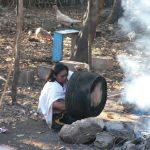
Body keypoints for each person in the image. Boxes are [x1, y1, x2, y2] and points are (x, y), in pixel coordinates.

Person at [37, 63, 75, 130]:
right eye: (62, 76)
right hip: (53, 113)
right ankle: (55, 121)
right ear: (55, 75)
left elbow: (72, 75)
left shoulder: (62, 79)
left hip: (63, 107)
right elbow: (55, 104)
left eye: (66, 75)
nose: (65, 78)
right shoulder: (53, 87)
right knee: (75, 121)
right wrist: (74, 107)